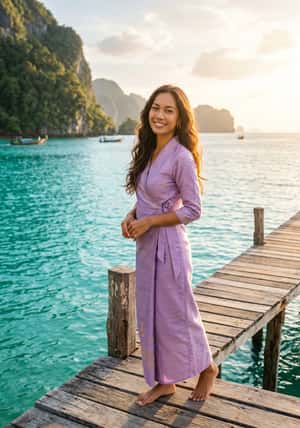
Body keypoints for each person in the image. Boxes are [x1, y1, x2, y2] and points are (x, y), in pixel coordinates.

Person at [121, 84, 219, 406]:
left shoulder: (181, 157)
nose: (159, 115)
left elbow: (193, 209)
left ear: (179, 119)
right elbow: (147, 198)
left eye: (168, 110)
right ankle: (165, 382)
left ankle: (207, 368)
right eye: (155, 108)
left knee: (179, 313)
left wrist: (149, 222)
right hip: (147, 246)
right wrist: (132, 215)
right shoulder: (148, 149)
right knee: (150, 315)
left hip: (170, 249)